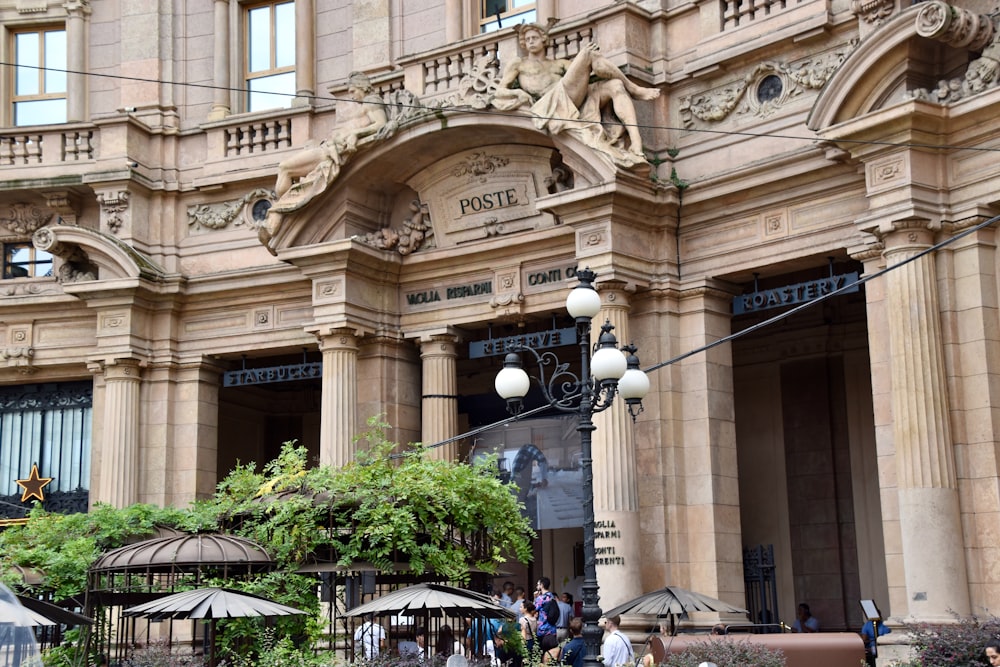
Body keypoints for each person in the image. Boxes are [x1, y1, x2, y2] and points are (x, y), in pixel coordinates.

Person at [493, 22, 660, 165]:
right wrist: (517, 93)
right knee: (588, 52)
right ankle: (634, 88)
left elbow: (581, 76)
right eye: (527, 39)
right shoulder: (518, 64)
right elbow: (500, 90)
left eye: (534, 38)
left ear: (544, 39)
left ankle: (636, 143)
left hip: (570, 99)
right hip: (550, 104)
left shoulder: (559, 64)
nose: (530, 42)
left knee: (615, 85)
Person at [261, 71, 388, 247]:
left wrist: (355, 134)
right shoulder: (364, 104)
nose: (351, 96)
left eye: (352, 91)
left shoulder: (372, 101)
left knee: (286, 168)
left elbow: (382, 124)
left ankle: (280, 211)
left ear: (362, 87)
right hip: (328, 148)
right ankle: (282, 210)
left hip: (330, 152)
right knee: (285, 168)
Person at [534, 577, 559, 655]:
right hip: (552, 630)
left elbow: (532, 609)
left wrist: (535, 598)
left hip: (543, 631)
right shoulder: (552, 596)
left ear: (541, 585)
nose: (536, 586)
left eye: (538, 584)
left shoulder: (541, 598)